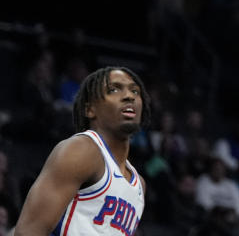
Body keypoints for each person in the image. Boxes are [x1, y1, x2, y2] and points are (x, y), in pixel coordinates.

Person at [12, 66, 151, 236]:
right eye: (114, 90)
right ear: (90, 109)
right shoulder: (82, 150)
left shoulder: (139, 186)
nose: (129, 96)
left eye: (135, 91)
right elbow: (29, 231)